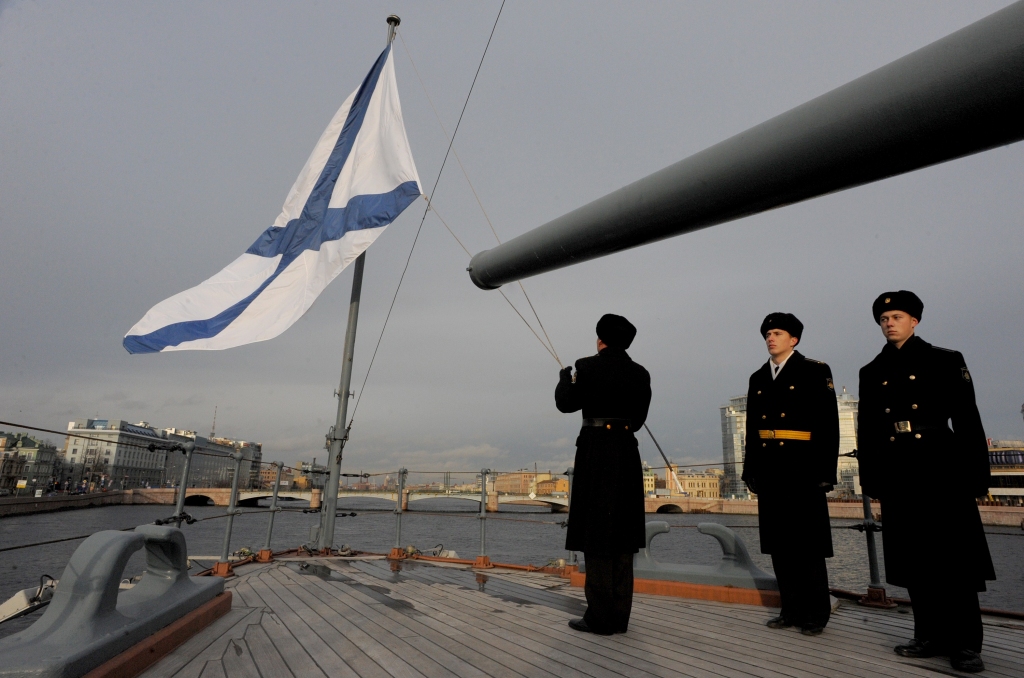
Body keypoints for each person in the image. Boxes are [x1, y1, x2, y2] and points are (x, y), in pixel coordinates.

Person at [857, 291, 994, 674]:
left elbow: (967, 420)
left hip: (941, 468)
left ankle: (966, 644)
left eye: (896, 316)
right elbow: (866, 430)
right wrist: (871, 478)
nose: (889, 323)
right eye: (883, 318)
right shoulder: (872, 371)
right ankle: (928, 635)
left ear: (914, 321)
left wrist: (976, 476)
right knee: (916, 559)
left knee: (954, 561)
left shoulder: (945, 360)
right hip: (898, 471)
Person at [741, 312, 838, 636]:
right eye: (767, 333)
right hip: (770, 468)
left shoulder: (814, 371)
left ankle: (816, 614)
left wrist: (825, 472)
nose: (771, 338)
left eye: (778, 333)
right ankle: (791, 609)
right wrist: (749, 469)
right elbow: (752, 429)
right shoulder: (758, 377)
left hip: (803, 467)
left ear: (793, 339)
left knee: (807, 545)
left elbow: (828, 424)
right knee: (780, 544)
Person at [556, 313, 651, 635]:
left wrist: (564, 379)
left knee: (597, 534)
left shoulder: (587, 365)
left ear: (600, 340)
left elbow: (566, 405)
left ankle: (598, 617)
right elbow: (638, 419)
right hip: (626, 451)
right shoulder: (640, 373)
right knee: (623, 537)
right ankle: (620, 618)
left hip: (596, 452)